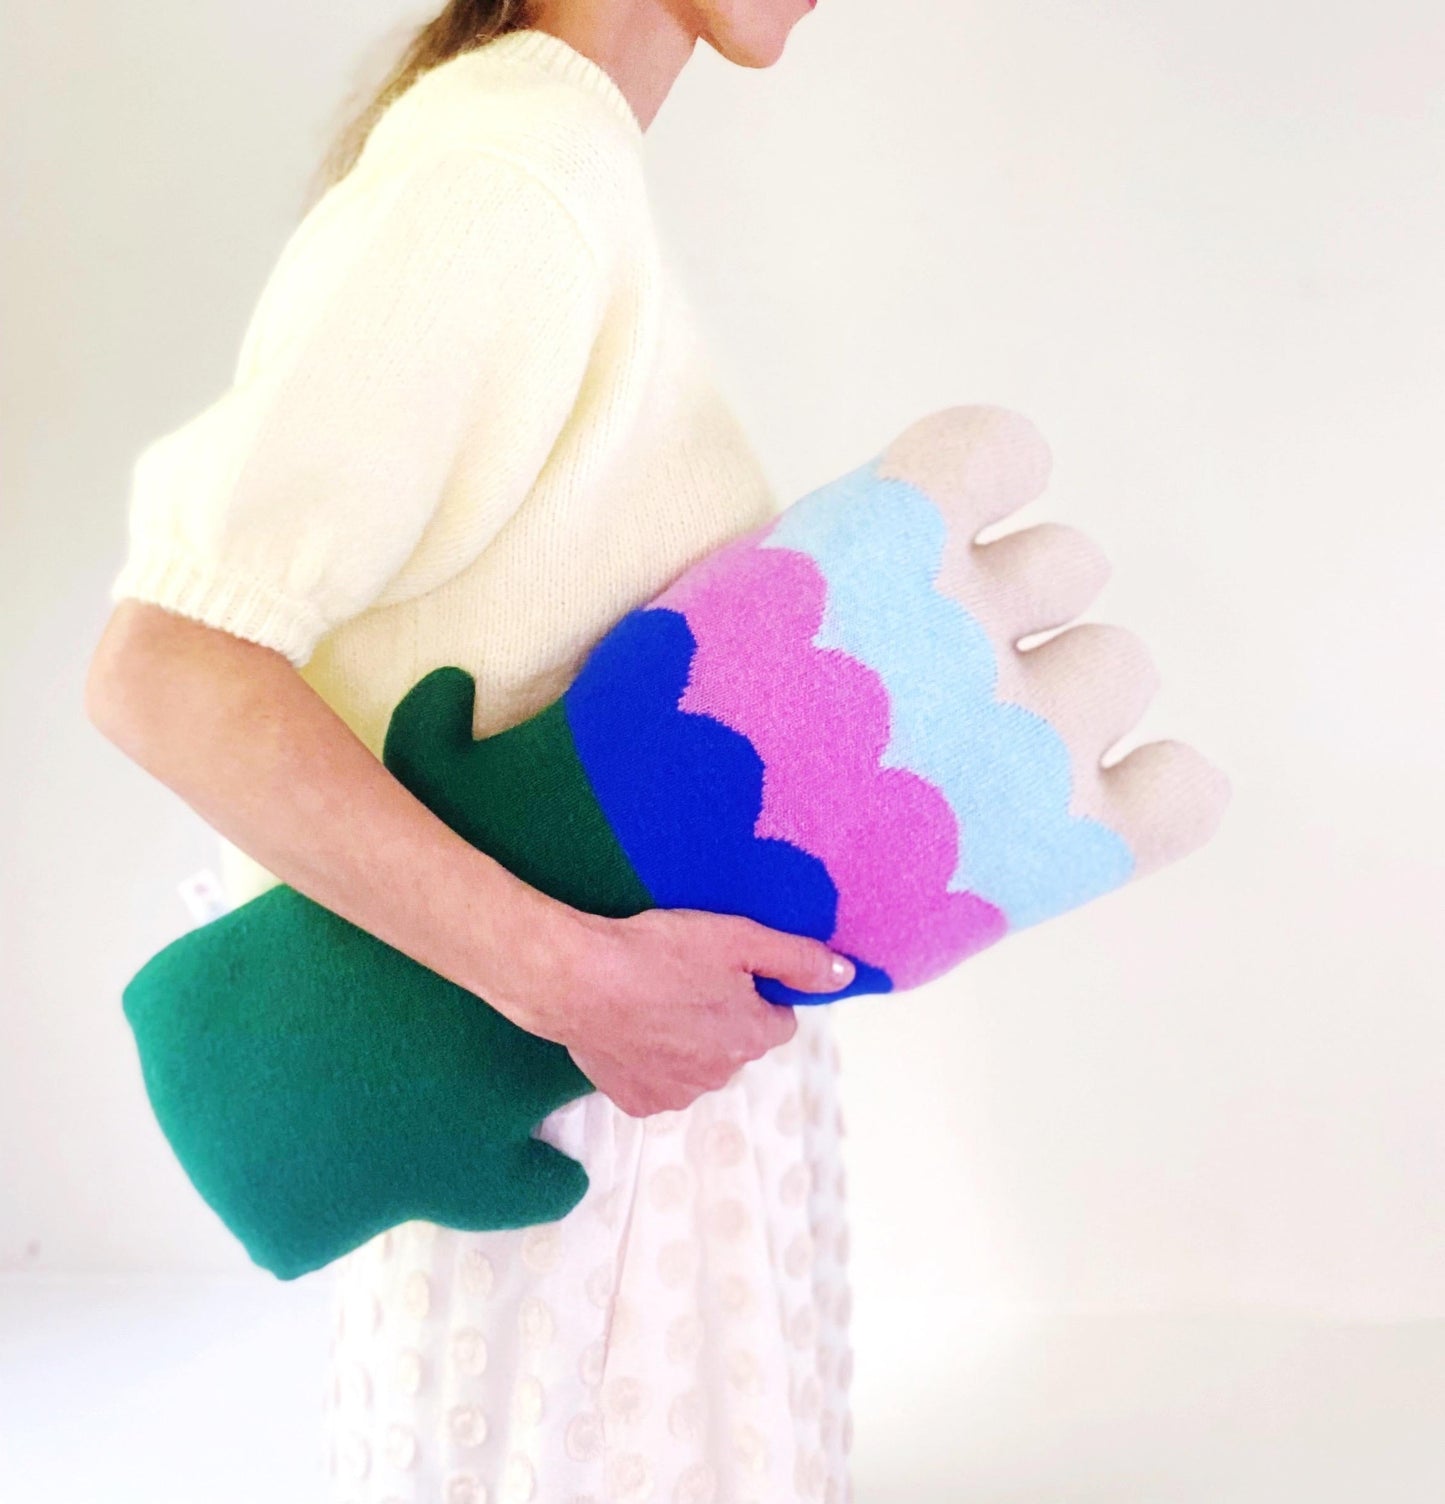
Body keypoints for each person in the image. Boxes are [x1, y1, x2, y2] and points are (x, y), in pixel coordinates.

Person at [85, 2, 866, 1500]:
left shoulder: (555, 161)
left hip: (627, 1090)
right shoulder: (506, 172)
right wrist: (571, 978)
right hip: (554, 1109)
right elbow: (166, 666)